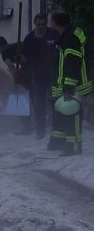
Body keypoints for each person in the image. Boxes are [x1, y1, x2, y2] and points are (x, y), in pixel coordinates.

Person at [47, 11, 92, 156]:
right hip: (63, 83)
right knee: (59, 110)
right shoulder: (66, 34)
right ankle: (58, 140)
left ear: (56, 23)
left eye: (51, 20)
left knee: (71, 111)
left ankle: (73, 146)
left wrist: (68, 88)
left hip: (74, 84)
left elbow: (72, 64)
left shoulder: (70, 38)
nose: (50, 22)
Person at [22, 13, 59, 139]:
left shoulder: (53, 34)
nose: (41, 27)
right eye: (38, 24)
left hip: (53, 75)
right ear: (34, 24)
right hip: (37, 76)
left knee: (55, 103)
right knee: (39, 105)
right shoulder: (29, 39)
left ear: (46, 24)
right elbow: (25, 58)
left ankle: (57, 130)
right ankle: (40, 131)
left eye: (43, 24)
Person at [0, 35, 32, 134]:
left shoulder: (5, 52)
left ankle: (27, 127)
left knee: (18, 99)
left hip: (28, 72)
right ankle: (36, 123)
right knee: (33, 97)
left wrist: (16, 78)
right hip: (34, 69)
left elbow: (11, 67)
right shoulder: (14, 46)